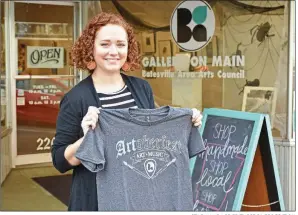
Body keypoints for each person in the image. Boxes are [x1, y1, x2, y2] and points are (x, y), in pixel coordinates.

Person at [51, 12, 203, 211]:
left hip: (138, 198)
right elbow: (60, 160)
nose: (113, 51)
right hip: (95, 201)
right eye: (105, 44)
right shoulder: (76, 98)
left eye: (121, 44)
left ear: (128, 49)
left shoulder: (141, 88)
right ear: (91, 48)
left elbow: (151, 136)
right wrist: (87, 138)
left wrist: (185, 120)